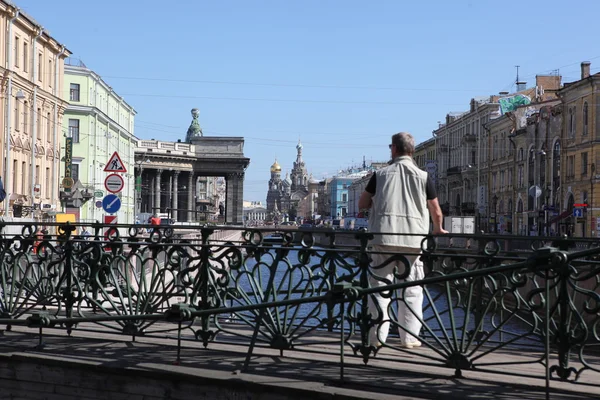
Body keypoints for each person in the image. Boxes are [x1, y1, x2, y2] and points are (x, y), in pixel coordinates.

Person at [358, 132, 447, 349]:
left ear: (394, 149)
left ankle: (376, 338)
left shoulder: (380, 174)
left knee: (379, 288)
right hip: (413, 240)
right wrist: (438, 229)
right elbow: (435, 209)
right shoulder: (423, 176)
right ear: (412, 151)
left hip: (383, 237)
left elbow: (362, 203)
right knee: (412, 289)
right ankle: (410, 338)